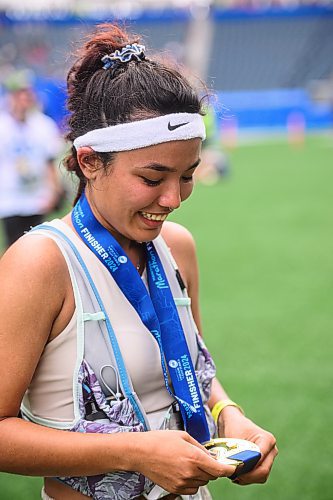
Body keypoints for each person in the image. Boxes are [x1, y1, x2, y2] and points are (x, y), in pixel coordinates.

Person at [0, 24, 277, 500]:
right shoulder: (41, 262)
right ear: (89, 162)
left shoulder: (178, 246)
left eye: (188, 175)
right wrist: (133, 452)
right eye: (153, 178)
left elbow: (191, 370)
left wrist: (227, 412)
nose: (174, 198)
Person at [0, 69, 64, 249]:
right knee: (13, 249)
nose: (25, 98)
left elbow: (50, 161)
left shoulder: (43, 125)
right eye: (21, 93)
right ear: (11, 96)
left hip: (37, 198)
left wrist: (54, 192)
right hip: (9, 200)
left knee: (35, 248)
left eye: (28, 93)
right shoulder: (2, 126)